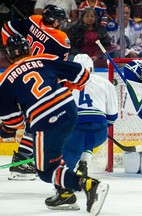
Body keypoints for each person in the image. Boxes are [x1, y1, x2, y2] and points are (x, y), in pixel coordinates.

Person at [0, 35, 109, 215]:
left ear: (8, 55)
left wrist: (5, 130)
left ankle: (89, 185)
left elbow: (14, 122)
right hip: (69, 109)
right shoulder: (44, 59)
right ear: (28, 49)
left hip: (45, 120)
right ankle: (65, 193)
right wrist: (63, 84)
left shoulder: (5, 81)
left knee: (45, 171)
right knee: (56, 155)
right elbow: (83, 76)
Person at [1, 4, 71, 181]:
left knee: (32, 118)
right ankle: (24, 157)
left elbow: (7, 28)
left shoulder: (33, 20)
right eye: (60, 20)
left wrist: (12, 50)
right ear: (54, 20)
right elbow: (59, 66)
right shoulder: (62, 38)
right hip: (42, 76)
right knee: (39, 118)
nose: (61, 24)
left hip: (20, 73)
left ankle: (24, 156)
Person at [45, 54, 118, 210]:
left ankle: (65, 193)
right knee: (86, 141)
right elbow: (113, 116)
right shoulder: (106, 83)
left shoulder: (65, 84)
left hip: (75, 129)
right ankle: (84, 161)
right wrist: (101, 127)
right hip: (100, 130)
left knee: (64, 155)